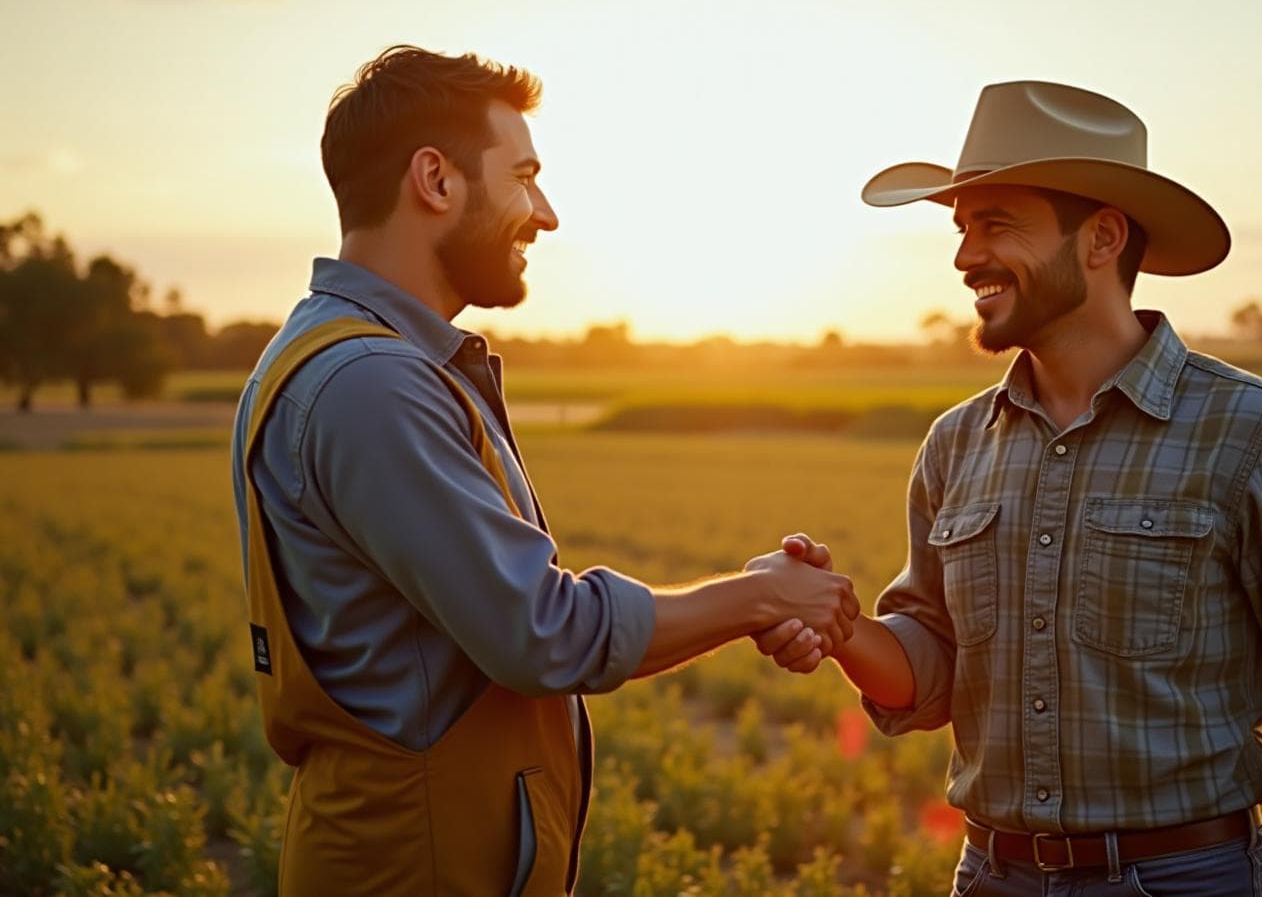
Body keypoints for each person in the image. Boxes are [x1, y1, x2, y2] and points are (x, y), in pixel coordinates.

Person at [229, 46, 857, 897]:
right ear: (435, 181)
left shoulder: (347, 356)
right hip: (415, 868)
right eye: (523, 175)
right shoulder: (373, 382)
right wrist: (762, 598)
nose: (546, 213)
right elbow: (542, 634)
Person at [756, 81, 1262, 896]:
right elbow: (929, 679)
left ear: (1101, 237)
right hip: (989, 876)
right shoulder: (955, 443)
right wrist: (840, 624)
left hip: (1180, 880)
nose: (964, 258)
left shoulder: (1254, 431)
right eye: (962, 229)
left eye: (996, 224)